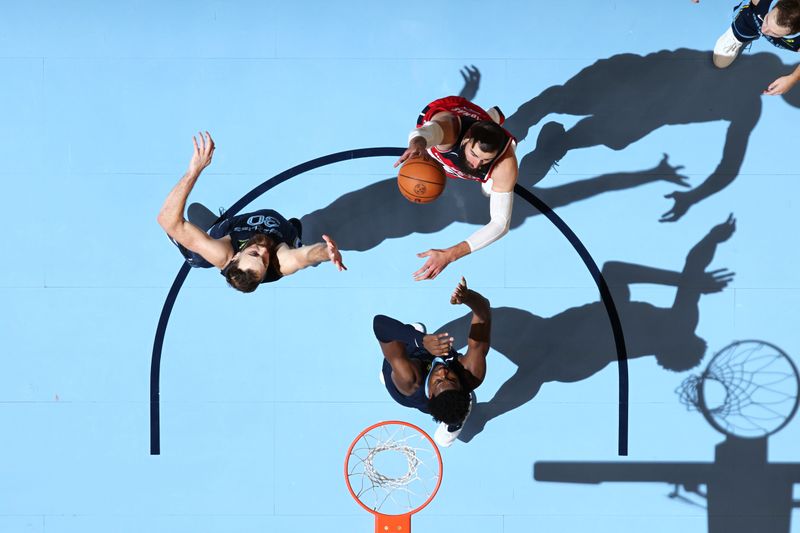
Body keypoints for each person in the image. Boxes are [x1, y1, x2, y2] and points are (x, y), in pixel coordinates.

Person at [157, 132, 346, 293]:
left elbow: (167, 219)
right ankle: (293, 230)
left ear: (236, 256)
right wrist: (326, 253)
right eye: (264, 261)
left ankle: (190, 248)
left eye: (254, 254)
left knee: (199, 256)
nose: (263, 251)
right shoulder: (280, 262)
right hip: (281, 229)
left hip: (234, 227)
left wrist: (194, 170)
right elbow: (304, 257)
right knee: (295, 234)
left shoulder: (223, 254)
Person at [394, 96, 519, 280]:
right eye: (474, 154)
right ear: (466, 140)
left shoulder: (505, 165)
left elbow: (500, 224)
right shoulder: (449, 130)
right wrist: (418, 143)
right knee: (439, 139)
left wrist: (450, 254)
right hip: (450, 113)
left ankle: (489, 119)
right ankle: (490, 117)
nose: (476, 164)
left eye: (485, 160)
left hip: (472, 135)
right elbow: (428, 132)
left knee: (492, 182)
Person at [372, 277, 491, 447]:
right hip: (428, 369)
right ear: (461, 387)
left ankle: (454, 420)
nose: (443, 372)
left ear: (430, 393)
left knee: (402, 345)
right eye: (451, 379)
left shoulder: (410, 379)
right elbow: (484, 312)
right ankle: (455, 412)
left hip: (401, 372)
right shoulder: (470, 374)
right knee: (415, 335)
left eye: (439, 381)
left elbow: (380, 325)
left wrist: (420, 340)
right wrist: (468, 297)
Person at [701, 0, 800, 95]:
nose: (764, 30)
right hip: (750, 19)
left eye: (774, 33)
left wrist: (792, 78)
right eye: (767, 19)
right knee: (720, 62)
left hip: (760, 15)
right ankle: (739, 35)